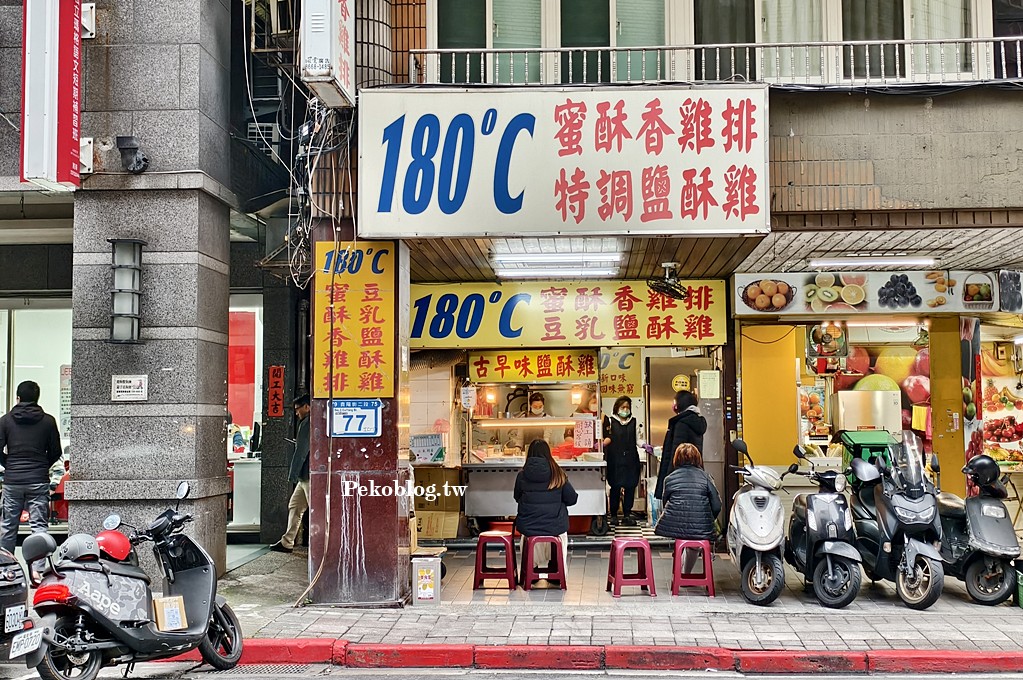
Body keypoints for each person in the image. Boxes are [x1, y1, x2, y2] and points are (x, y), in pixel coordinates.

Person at [0, 381, 63, 554]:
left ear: (18, 398)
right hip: (38, 481)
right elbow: (56, 451)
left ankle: (6, 571)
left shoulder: (5, 421)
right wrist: (42, 466)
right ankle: (38, 573)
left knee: (7, 528)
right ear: (37, 398)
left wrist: (9, 465)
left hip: (12, 482)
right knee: (39, 528)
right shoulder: (48, 421)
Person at [514, 439, 578, 572]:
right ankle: (556, 570)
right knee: (560, 535)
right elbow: (572, 499)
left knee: (527, 538)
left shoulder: (522, 475)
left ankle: (530, 572)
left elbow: (517, 497)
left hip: (529, 526)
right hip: (555, 526)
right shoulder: (558, 474)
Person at [654, 443, 722, 541]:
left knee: (682, 540)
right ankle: (689, 554)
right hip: (701, 527)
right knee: (696, 540)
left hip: (674, 527)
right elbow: (717, 506)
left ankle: (680, 554)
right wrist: (708, 518)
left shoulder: (669, 478)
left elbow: (665, 504)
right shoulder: (706, 478)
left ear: (676, 458)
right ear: (698, 458)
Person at [270, 394, 311, 553]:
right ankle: (287, 541)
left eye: (297, 409)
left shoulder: (307, 423)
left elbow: (301, 451)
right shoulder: (312, 422)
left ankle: (322, 542)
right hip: (305, 476)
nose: (296, 413)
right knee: (295, 506)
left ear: (306, 407)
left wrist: (293, 474)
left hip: (307, 475)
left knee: (314, 510)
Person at [655, 390, 707, 500]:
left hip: (679, 474)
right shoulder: (696, 421)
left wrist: (669, 477)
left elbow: (676, 452)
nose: (674, 405)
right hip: (694, 472)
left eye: (675, 401)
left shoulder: (681, 423)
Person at [602, 396, 641, 526]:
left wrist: (647, 446)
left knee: (630, 486)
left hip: (631, 459)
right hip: (615, 459)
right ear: (617, 408)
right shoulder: (611, 421)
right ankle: (613, 514)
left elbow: (638, 440)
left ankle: (627, 514)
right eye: (622, 407)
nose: (625, 410)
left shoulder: (634, 422)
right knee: (615, 486)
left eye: (627, 407)